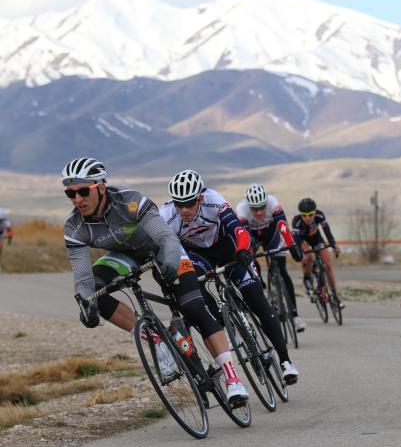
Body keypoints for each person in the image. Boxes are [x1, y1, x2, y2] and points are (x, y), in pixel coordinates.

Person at [62, 157, 248, 406]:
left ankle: (233, 378)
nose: (77, 199)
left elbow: (165, 236)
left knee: (193, 306)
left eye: (83, 191)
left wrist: (172, 261)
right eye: (70, 194)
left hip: (161, 249)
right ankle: (157, 341)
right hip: (125, 257)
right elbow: (83, 277)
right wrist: (86, 304)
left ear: (101, 187)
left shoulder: (129, 200)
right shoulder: (74, 227)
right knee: (94, 292)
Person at [160, 169, 299, 385]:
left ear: (200, 197)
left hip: (226, 247)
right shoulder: (167, 215)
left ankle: (285, 361)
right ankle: (219, 322)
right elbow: (165, 249)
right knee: (196, 289)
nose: (184, 209)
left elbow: (239, 230)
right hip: (197, 255)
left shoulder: (214, 200)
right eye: (179, 204)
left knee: (256, 299)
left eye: (189, 203)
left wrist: (244, 249)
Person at [235, 184, 306, 333]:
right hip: (252, 236)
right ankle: (260, 280)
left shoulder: (273, 202)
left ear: (266, 202)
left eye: (262, 207)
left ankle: (294, 315)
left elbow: (282, 225)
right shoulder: (241, 210)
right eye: (255, 209)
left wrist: (292, 246)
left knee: (282, 269)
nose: (259, 212)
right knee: (251, 259)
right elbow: (244, 237)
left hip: (271, 234)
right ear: (249, 206)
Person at [292, 197, 344, 308]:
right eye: (304, 215)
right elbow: (296, 240)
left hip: (316, 239)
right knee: (309, 256)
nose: (308, 218)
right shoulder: (296, 221)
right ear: (300, 214)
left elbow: (327, 231)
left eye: (310, 214)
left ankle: (334, 294)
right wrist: (302, 254)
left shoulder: (319, 215)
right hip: (303, 240)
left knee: (328, 264)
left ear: (314, 212)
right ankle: (307, 278)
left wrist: (333, 245)